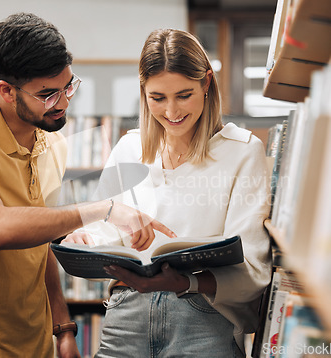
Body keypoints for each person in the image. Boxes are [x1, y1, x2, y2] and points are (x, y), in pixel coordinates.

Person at [0, 13, 175, 358]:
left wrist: (63, 327)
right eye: (47, 94)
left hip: (37, 341)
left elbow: (38, 240)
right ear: (7, 91)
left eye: (69, 86)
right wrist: (104, 209)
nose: (63, 102)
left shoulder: (52, 144)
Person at [63, 28, 272, 358]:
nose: (172, 112)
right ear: (143, 91)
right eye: (157, 98)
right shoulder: (129, 147)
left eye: (184, 95)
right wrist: (85, 240)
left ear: (206, 83)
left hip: (201, 317)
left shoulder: (243, 152)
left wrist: (183, 283)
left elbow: (254, 270)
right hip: (126, 314)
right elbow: (102, 230)